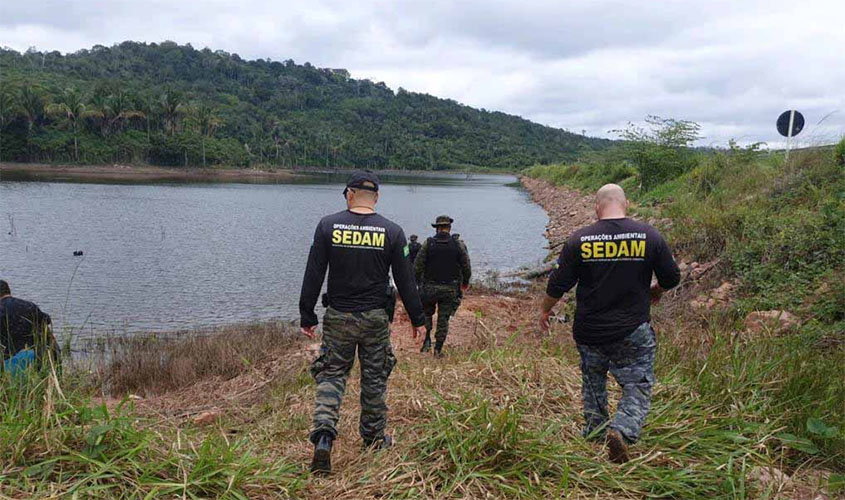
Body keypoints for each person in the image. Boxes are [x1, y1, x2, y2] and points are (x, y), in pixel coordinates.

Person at [538, 184, 680, 463]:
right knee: (637, 384)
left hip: (589, 331)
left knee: (593, 383)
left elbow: (558, 285)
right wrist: (657, 291)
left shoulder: (579, 240)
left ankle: (594, 433)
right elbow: (672, 277)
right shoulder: (650, 236)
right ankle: (623, 430)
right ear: (626, 204)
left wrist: (544, 311)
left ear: (596, 207)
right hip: (633, 329)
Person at [299, 171, 426, 475]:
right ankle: (373, 440)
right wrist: (417, 318)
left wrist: (307, 315)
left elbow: (314, 272)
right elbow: (405, 279)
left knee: (332, 376)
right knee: (374, 378)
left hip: (338, 317)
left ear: (349, 194)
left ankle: (324, 438)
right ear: (377, 198)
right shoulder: (393, 232)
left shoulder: (327, 225)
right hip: (374, 319)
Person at [414, 215, 471, 356]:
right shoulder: (458, 244)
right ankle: (438, 349)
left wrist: (417, 284)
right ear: (449, 228)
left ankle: (426, 340)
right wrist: (465, 282)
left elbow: (417, 266)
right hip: (449, 289)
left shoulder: (428, 244)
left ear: (437, 228)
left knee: (427, 315)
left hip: (429, 288)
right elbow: (466, 266)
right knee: (443, 319)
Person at [1, 280, 58, 374]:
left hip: (11, 355)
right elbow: (47, 320)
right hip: (34, 352)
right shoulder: (29, 305)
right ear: (9, 291)